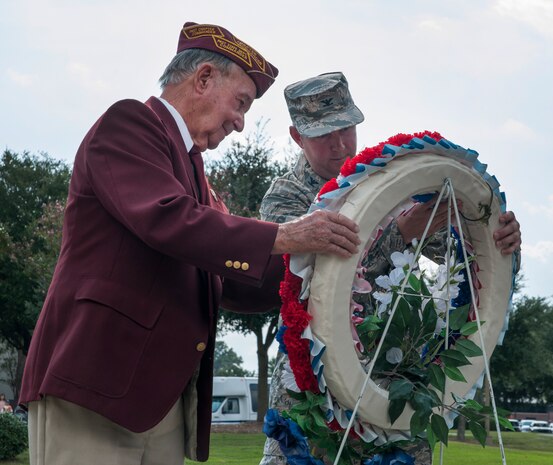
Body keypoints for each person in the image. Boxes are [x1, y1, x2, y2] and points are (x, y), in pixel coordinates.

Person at [19, 25, 360, 465]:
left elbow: (224, 277)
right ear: (202, 79)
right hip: (95, 385)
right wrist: (284, 235)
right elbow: (169, 220)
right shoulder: (130, 124)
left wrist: (316, 271)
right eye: (240, 103)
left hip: (156, 400)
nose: (240, 122)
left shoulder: (194, 172)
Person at [259, 72, 522, 465]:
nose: (339, 143)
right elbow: (320, 279)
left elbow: (463, 259)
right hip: (316, 393)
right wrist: (403, 230)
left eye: (346, 128)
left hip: (399, 384)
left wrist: (501, 243)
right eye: (323, 133)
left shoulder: (391, 183)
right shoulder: (286, 200)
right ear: (297, 137)